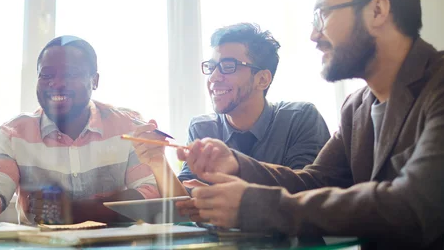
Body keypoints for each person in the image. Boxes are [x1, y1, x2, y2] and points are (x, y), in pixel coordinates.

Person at [179, 0, 444, 249]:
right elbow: (317, 181)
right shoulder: (356, 107)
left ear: (378, 10)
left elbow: (414, 204)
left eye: (323, 14)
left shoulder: (442, 84)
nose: (314, 35)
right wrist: (236, 163)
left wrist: (256, 207)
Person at [0, 35, 158, 224]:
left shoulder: (129, 128)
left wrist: (77, 210)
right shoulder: (12, 136)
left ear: (95, 81)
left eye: (71, 74)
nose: (57, 83)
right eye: (46, 75)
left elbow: (153, 199)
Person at [133, 23, 330, 198]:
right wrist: (158, 162)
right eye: (211, 67)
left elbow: (306, 193)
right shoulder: (203, 128)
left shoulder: (300, 118)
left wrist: (228, 193)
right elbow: (184, 205)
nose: (213, 77)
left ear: (262, 79)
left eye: (228, 67)